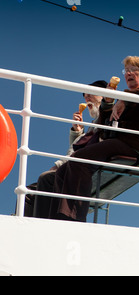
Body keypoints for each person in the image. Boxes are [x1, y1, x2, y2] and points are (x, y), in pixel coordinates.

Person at [48, 56, 139, 222]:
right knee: (64, 170)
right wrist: (108, 103)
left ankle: (73, 218)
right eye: (125, 70)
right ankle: (55, 218)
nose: (128, 73)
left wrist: (123, 99)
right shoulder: (129, 98)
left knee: (79, 159)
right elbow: (104, 127)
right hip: (122, 143)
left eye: (132, 69)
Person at [26, 80, 109, 218]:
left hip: (84, 167)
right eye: (85, 96)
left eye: (91, 94)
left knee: (45, 179)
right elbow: (79, 147)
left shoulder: (106, 116)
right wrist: (78, 132)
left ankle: (42, 224)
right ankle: (24, 224)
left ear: (103, 95)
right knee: (28, 193)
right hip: (73, 164)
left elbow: (89, 147)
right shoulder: (93, 123)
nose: (87, 98)